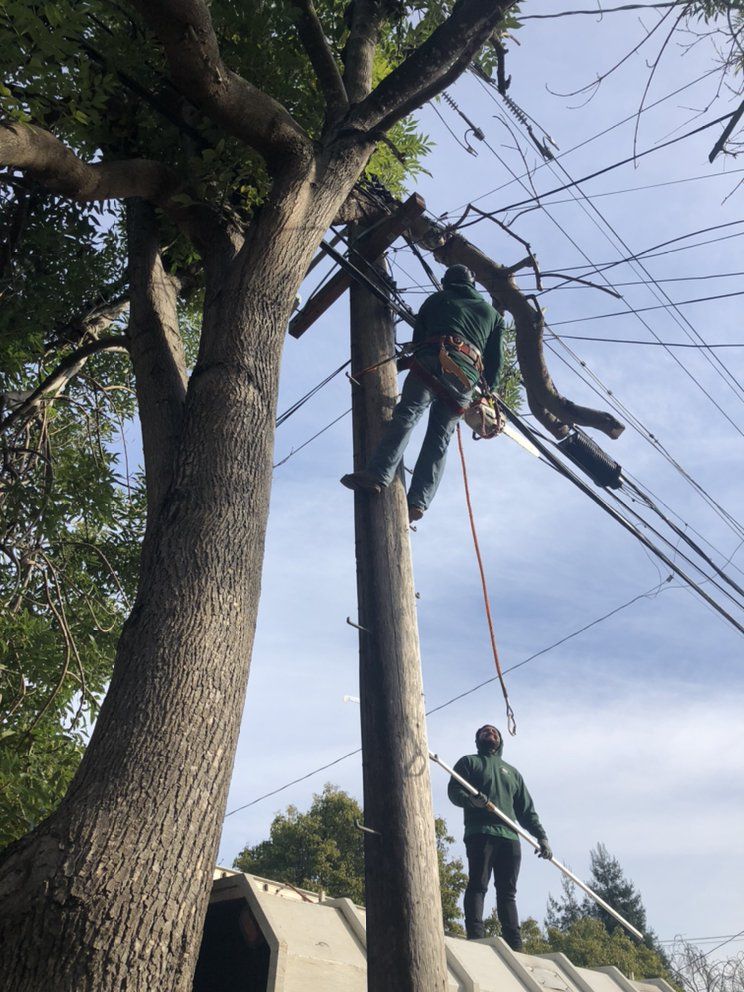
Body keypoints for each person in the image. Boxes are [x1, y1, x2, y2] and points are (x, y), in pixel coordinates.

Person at [340, 265, 504, 522]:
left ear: (447, 282)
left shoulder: (436, 299)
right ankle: (419, 501)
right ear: (472, 284)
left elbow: (419, 341)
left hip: (431, 361)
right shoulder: (492, 315)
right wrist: (487, 393)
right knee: (440, 438)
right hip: (465, 379)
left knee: (408, 414)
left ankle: (378, 475)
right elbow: (495, 361)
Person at [447, 724, 552, 950]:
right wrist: (471, 800)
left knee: (507, 892)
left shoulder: (512, 773)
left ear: (500, 740)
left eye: (494, 731)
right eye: (485, 732)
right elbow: (454, 791)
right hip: (481, 832)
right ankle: (476, 936)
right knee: (478, 884)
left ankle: (515, 943)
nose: (490, 733)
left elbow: (526, 811)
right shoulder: (469, 762)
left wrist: (541, 837)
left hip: (509, 835)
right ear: (478, 739)